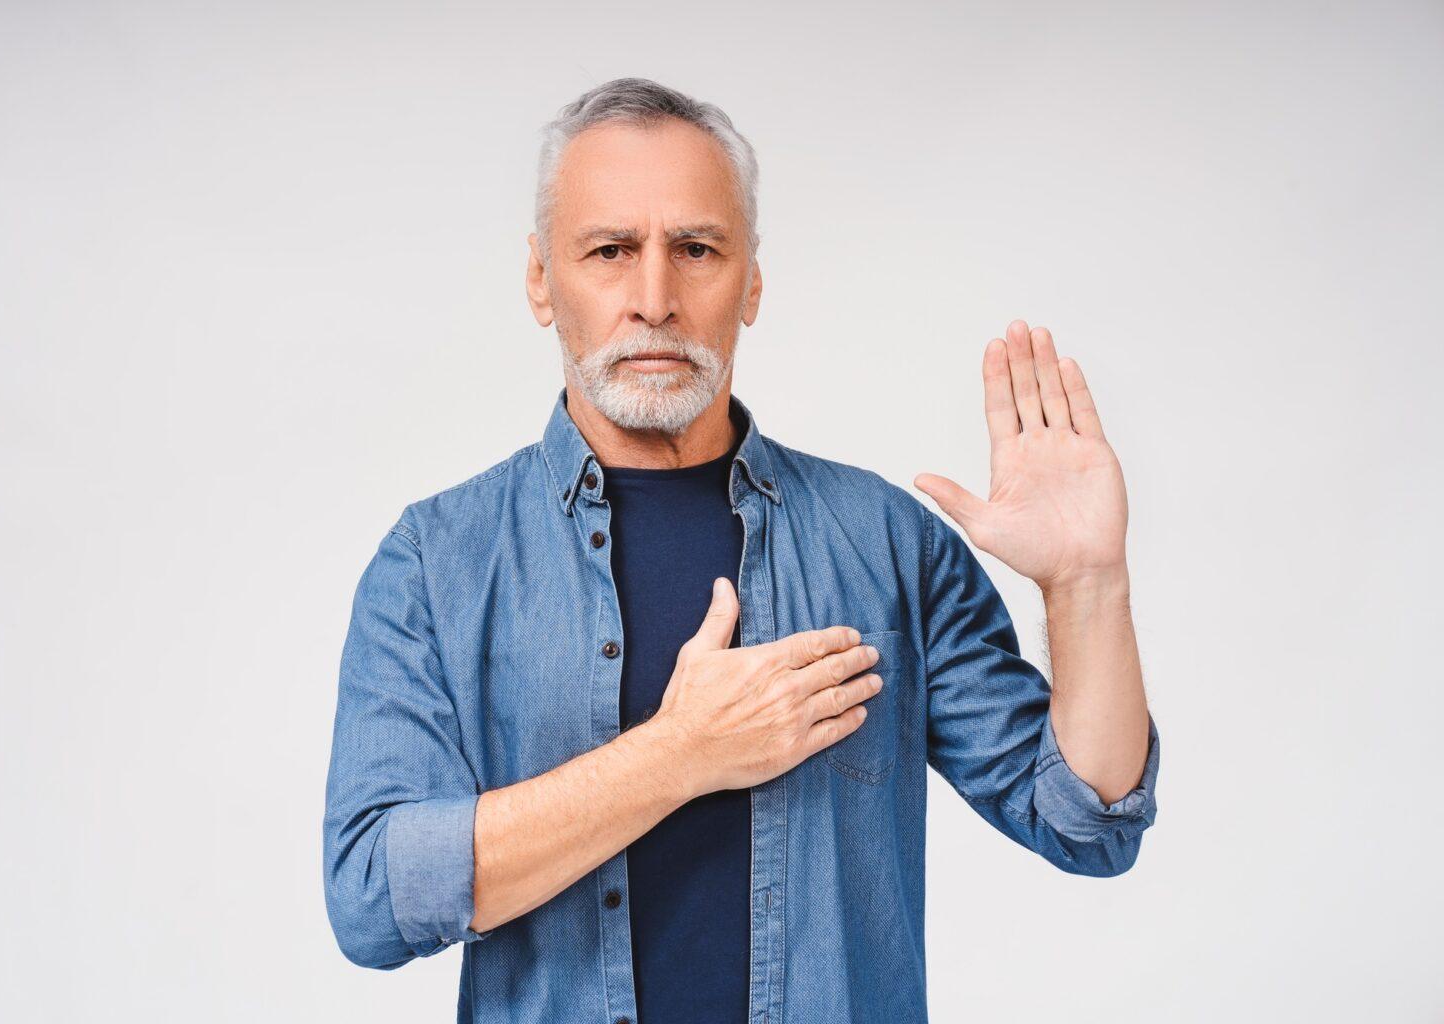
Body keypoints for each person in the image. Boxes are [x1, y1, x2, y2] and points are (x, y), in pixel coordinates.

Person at [322, 76, 1160, 1024]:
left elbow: (1087, 819)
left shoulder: (884, 544)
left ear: (751, 279)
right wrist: (678, 755)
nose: (655, 299)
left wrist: (1089, 586)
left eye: (696, 249)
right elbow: (372, 897)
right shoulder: (437, 562)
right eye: (610, 250)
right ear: (540, 280)